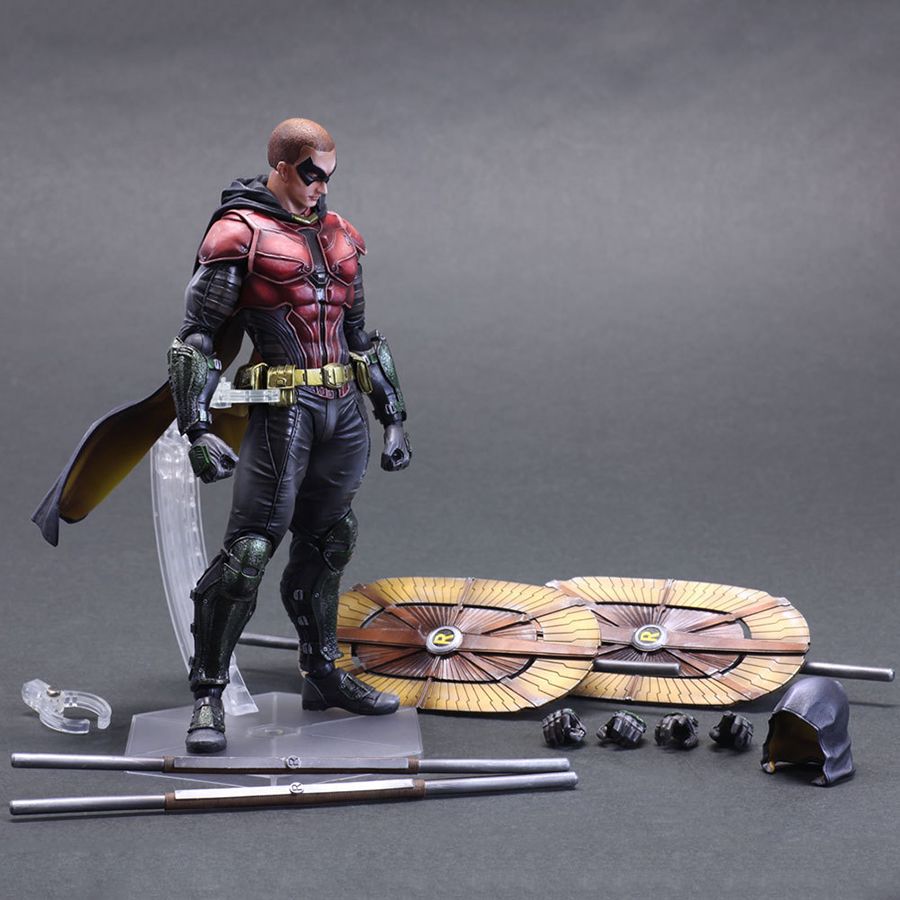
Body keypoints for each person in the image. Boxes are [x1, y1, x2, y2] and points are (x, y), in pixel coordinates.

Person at [168, 118, 411, 752]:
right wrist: (196, 427)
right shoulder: (240, 234)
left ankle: (322, 673)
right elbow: (196, 338)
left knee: (332, 538)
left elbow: (361, 337)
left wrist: (392, 415)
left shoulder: (340, 235)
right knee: (249, 552)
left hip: (342, 409)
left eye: (329, 175)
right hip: (284, 409)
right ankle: (208, 696)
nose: (321, 187)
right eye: (311, 174)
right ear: (281, 166)